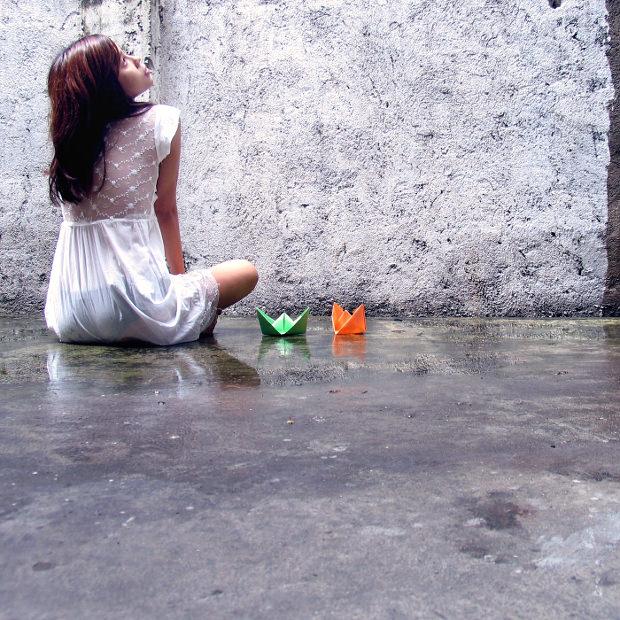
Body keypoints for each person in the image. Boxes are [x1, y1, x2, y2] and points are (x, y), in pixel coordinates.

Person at [44, 35, 258, 345]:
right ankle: (190, 318)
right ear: (104, 84)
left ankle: (188, 315)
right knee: (245, 271)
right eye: (122, 61)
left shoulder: (72, 140)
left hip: (72, 315)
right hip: (139, 307)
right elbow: (166, 210)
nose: (136, 59)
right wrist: (183, 292)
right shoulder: (161, 121)